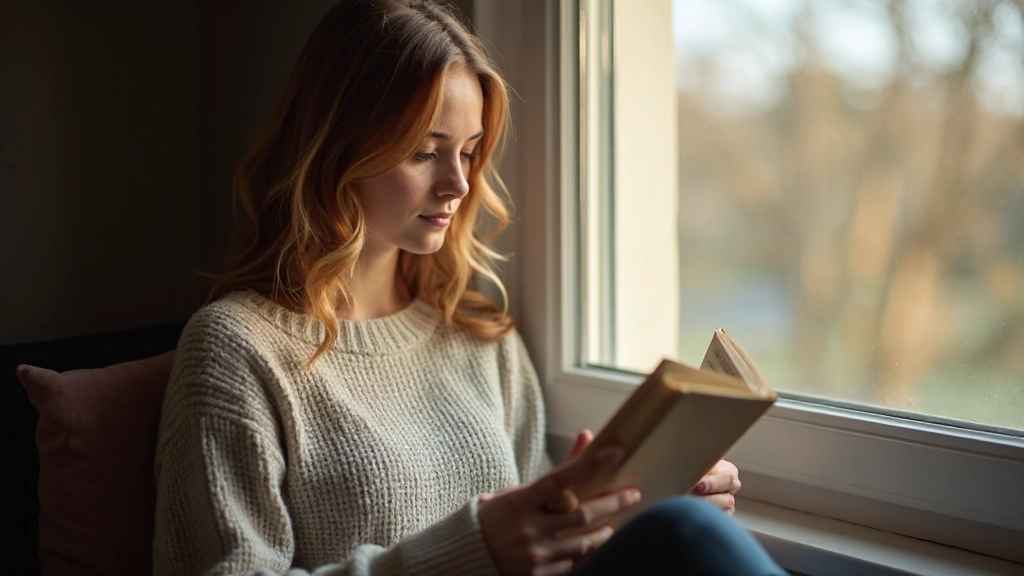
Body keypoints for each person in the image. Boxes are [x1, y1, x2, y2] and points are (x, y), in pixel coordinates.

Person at [152, 1, 786, 575]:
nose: (459, 184)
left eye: (470, 150)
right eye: (426, 152)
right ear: (336, 149)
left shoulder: (479, 337)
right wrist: (474, 548)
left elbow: (549, 547)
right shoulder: (236, 350)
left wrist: (634, 504)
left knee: (683, 522)